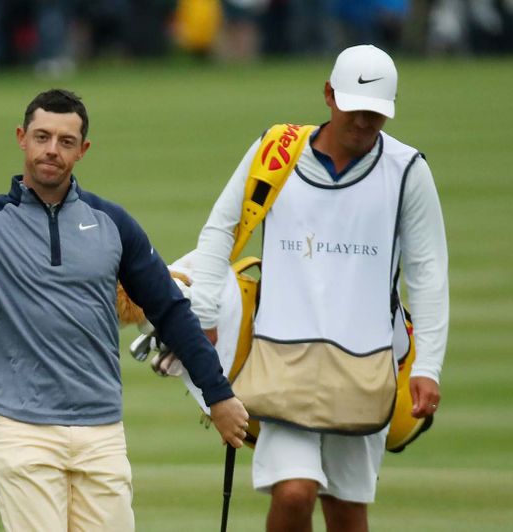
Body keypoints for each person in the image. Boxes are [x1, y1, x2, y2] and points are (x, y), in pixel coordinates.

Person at [0, 81, 250, 531]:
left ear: (83, 150)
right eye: (42, 137)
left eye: (66, 141)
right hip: (21, 431)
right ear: (21, 138)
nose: (52, 150)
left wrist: (218, 395)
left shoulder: (113, 224)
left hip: (102, 432)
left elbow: (171, 309)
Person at [190, 44, 449, 531]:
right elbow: (220, 230)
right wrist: (205, 317)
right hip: (280, 357)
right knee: (293, 492)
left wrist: (429, 364)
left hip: (369, 362)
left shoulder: (408, 170)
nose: (366, 122)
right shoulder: (276, 151)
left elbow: (428, 271)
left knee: (347, 509)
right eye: (356, 109)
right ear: (329, 95)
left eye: (377, 114)